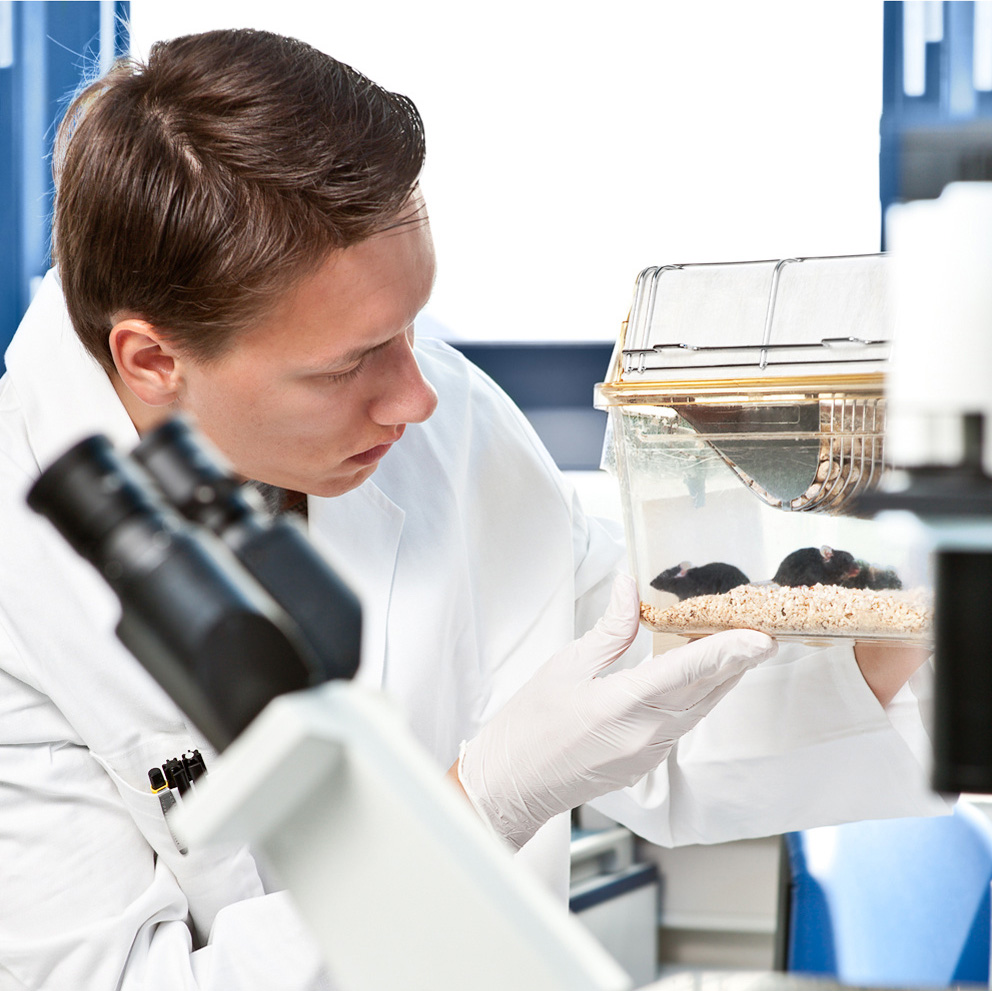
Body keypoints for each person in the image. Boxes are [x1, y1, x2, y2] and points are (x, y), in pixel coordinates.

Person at [0, 28, 945, 990]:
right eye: (344, 365)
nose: (416, 397)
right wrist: (480, 804)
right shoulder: (16, 586)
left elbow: (643, 722)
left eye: (411, 326)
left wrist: (915, 631)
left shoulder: (445, 426)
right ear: (152, 361)